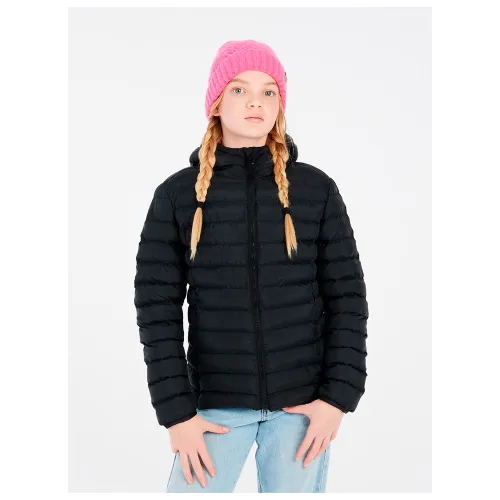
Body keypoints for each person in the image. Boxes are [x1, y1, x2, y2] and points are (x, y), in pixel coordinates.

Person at [134, 39, 369, 493]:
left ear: (280, 104)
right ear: (216, 103)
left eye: (268, 91)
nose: (255, 102)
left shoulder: (316, 190)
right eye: (239, 90)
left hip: (301, 411)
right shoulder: (177, 196)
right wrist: (177, 415)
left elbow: (348, 299)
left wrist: (336, 399)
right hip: (212, 411)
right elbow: (156, 310)